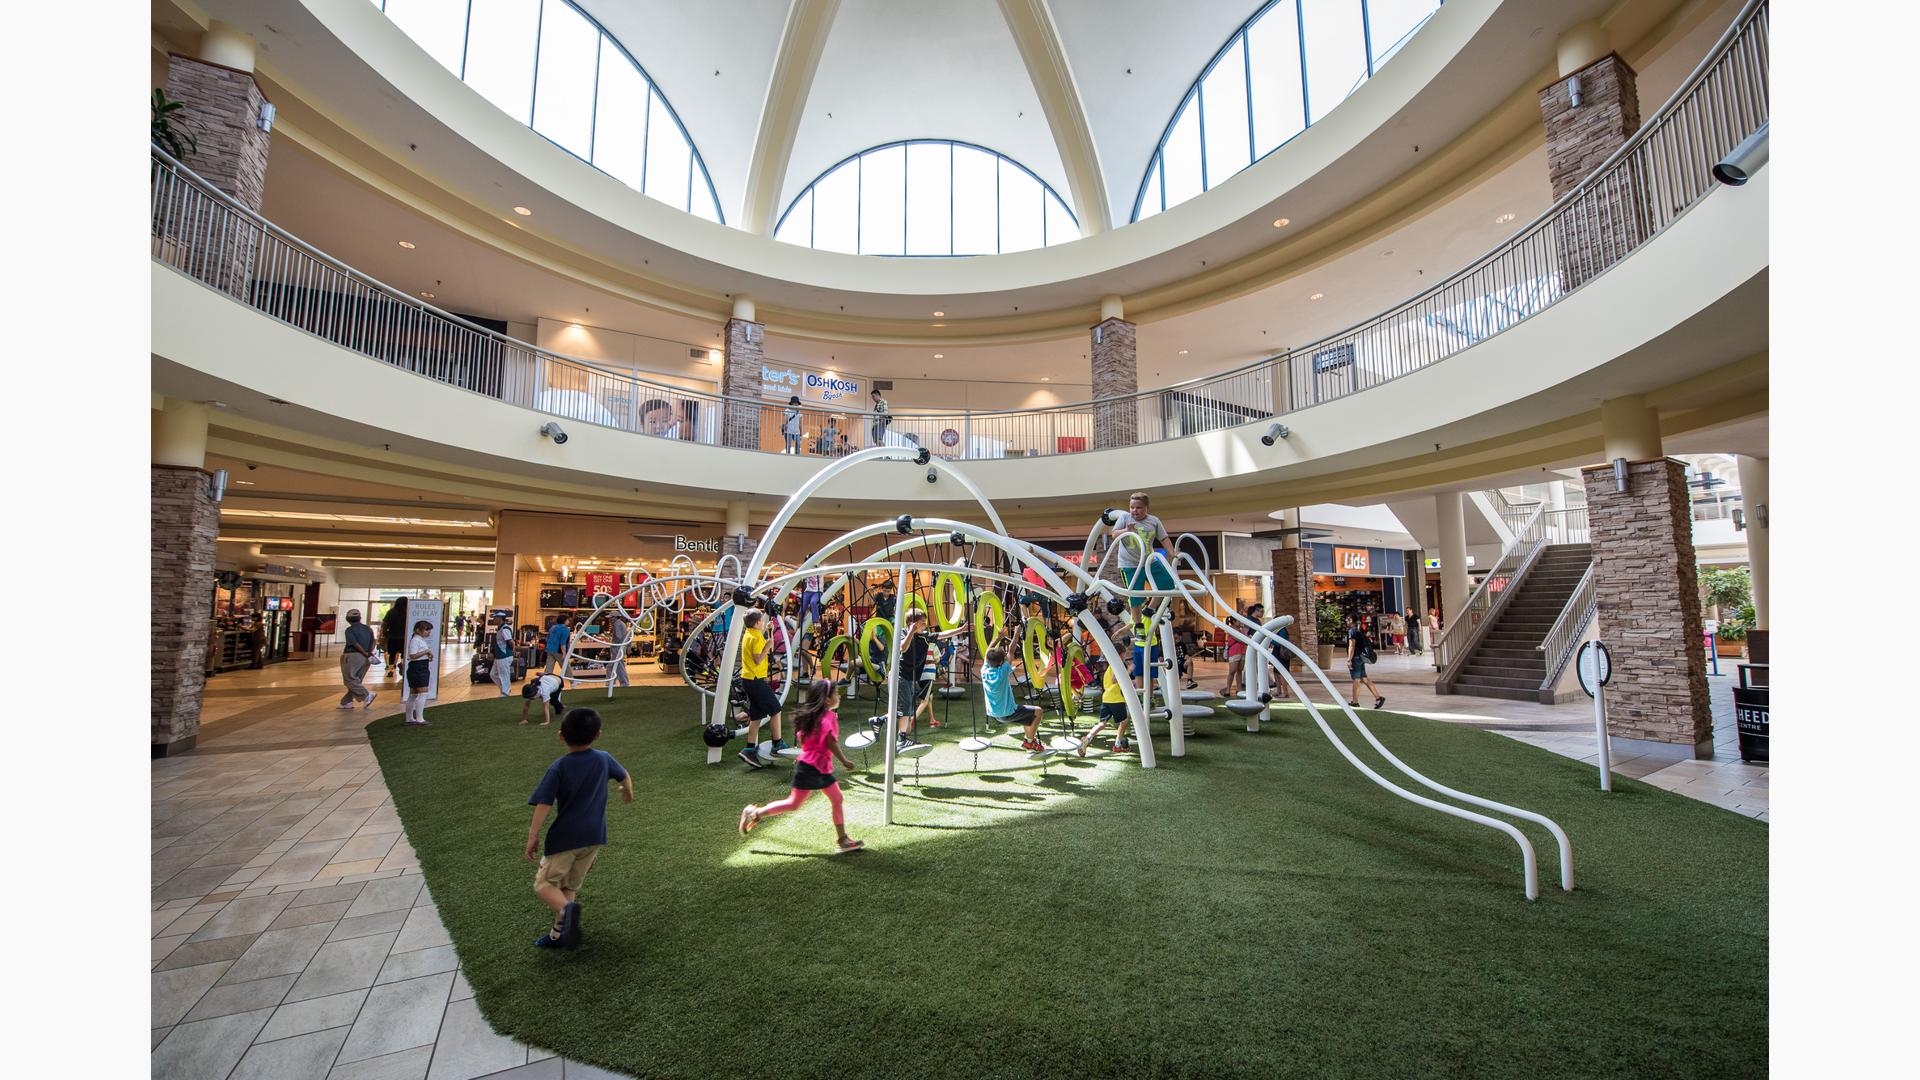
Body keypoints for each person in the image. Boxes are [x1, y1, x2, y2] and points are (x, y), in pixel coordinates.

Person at [524, 708, 632, 950]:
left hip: (566, 839)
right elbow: (624, 775)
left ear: (561, 736)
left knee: (543, 885)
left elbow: (544, 804)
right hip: (594, 837)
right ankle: (559, 934)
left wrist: (533, 836)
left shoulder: (559, 767)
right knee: (568, 885)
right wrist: (628, 791)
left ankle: (566, 911)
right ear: (598, 735)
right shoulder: (604, 758)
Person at [737, 679, 864, 852]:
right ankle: (754, 813)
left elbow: (802, 737)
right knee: (794, 803)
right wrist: (844, 761)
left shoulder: (812, 717)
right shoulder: (828, 718)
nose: (839, 695)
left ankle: (842, 840)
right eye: (836, 693)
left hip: (814, 766)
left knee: (835, 798)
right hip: (812, 769)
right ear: (827, 700)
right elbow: (831, 742)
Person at [735, 609, 791, 769]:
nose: (763, 621)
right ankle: (777, 743)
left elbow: (767, 648)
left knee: (756, 715)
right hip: (755, 680)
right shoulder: (757, 637)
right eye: (761, 620)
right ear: (757, 623)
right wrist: (767, 644)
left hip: (748, 679)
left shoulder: (749, 634)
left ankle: (749, 749)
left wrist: (770, 633)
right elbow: (759, 658)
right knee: (776, 709)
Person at [1108, 493, 1174, 611]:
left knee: (1168, 583)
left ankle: (1151, 608)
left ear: (1146, 507)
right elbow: (1114, 534)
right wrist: (1127, 530)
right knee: (1135, 596)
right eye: (1132, 507)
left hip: (1149, 561)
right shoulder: (1125, 518)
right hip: (1130, 563)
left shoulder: (1154, 521)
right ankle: (1138, 625)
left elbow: (1164, 538)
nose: (1134, 510)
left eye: (1138, 507)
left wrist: (1173, 553)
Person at [1078, 631, 1132, 755]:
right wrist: (1128, 671)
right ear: (1121, 654)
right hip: (1116, 699)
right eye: (1124, 654)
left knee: (1102, 723)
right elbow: (1115, 680)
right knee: (1124, 722)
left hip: (1106, 698)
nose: (1125, 656)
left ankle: (1088, 738)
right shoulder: (1119, 665)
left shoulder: (1110, 666)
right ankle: (1117, 745)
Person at [984, 642, 1045, 752]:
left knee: (1028, 717)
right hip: (1008, 713)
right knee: (1038, 711)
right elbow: (1011, 651)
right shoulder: (1003, 671)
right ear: (1002, 662)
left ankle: (1029, 742)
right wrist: (1017, 631)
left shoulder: (984, 671)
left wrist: (998, 638)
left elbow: (987, 654)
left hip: (994, 714)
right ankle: (1029, 742)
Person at [338, 608, 378, 711]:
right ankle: (346, 702)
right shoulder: (368, 628)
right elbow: (374, 641)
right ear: (360, 618)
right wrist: (368, 653)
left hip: (352, 655)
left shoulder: (349, 630)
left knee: (349, 679)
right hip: (366, 658)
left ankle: (366, 695)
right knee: (356, 681)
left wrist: (364, 652)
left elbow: (355, 644)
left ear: (348, 619)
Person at [1346, 616, 1385, 710]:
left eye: (1348, 619)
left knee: (1356, 680)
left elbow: (1352, 646)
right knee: (1364, 678)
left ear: (1352, 621)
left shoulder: (1352, 631)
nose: (1346, 621)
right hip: (1361, 658)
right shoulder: (1359, 631)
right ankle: (1378, 698)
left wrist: (1349, 660)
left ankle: (1355, 702)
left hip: (1355, 658)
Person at [402, 619, 435, 726]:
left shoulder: (419, 640)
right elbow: (412, 656)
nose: (428, 632)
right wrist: (426, 651)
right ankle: (419, 719)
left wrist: (428, 655)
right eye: (426, 630)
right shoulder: (415, 640)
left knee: (414, 694)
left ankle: (410, 718)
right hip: (418, 668)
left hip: (420, 666)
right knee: (422, 693)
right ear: (418, 630)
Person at [1224, 603, 1260, 699]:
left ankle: (1239, 688)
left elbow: (1245, 637)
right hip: (1234, 652)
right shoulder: (1231, 629)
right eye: (1238, 620)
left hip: (1242, 651)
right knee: (1232, 671)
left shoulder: (1241, 630)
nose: (1240, 622)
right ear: (1234, 621)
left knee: (1240, 670)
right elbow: (1240, 639)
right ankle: (1228, 688)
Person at [491, 616, 517, 697]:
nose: (494, 619)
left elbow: (511, 641)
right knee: (493, 674)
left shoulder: (504, 629)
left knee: (504, 675)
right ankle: (505, 688)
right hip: (499, 656)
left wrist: (512, 650)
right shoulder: (499, 628)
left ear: (500, 618)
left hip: (504, 656)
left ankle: (505, 693)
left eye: (495, 618)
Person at [381, 602, 406, 680]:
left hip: (392, 637)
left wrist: (385, 634)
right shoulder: (407, 611)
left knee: (392, 654)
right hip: (403, 637)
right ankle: (402, 663)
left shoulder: (391, 612)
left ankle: (391, 670)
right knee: (403, 653)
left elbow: (384, 624)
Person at [608, 612, 632, 689]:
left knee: (618, 666)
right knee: (612, 666)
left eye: (610, 617)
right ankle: (611, 682)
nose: (609, 619)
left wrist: (612, 633)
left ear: (614, 617)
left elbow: (619, 636)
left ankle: (624, 683)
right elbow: (626, 636)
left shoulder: (617, 624)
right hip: (620, 647)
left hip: (617, 647)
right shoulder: (622, 624)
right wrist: (628, 646)